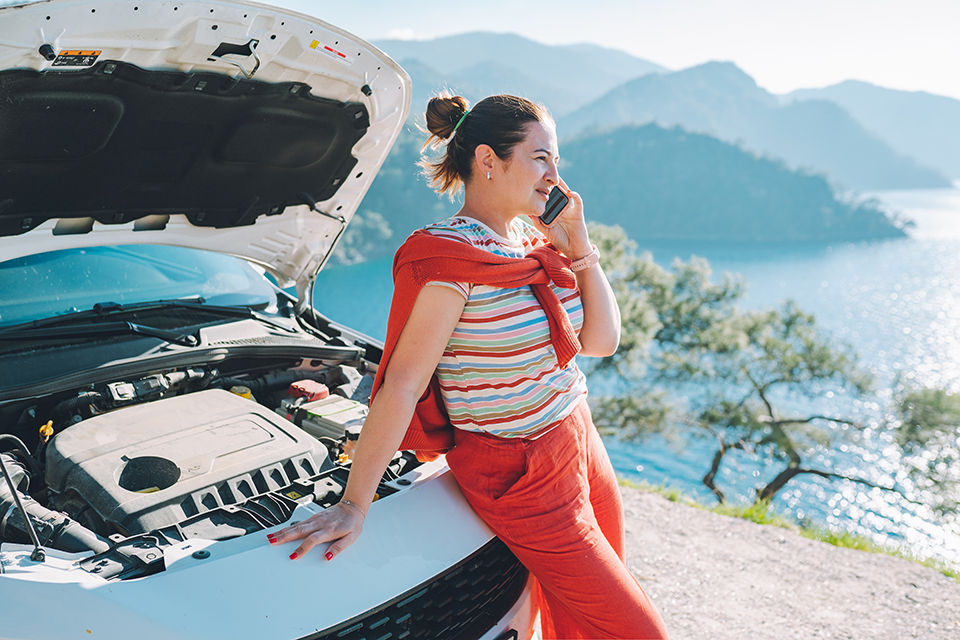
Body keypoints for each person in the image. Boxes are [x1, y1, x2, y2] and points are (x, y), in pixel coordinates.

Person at [268, 94, 669, 640]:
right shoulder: (448, 260)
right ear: (488, 160)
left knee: (586, 615)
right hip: (520, 472)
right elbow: (402, 384)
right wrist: (355, 504)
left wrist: (581, 246)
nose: (556, 177)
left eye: (557, 162)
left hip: (577, 436)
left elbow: (600, 341)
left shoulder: (531, 241)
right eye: (541, 159)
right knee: (636, 631)